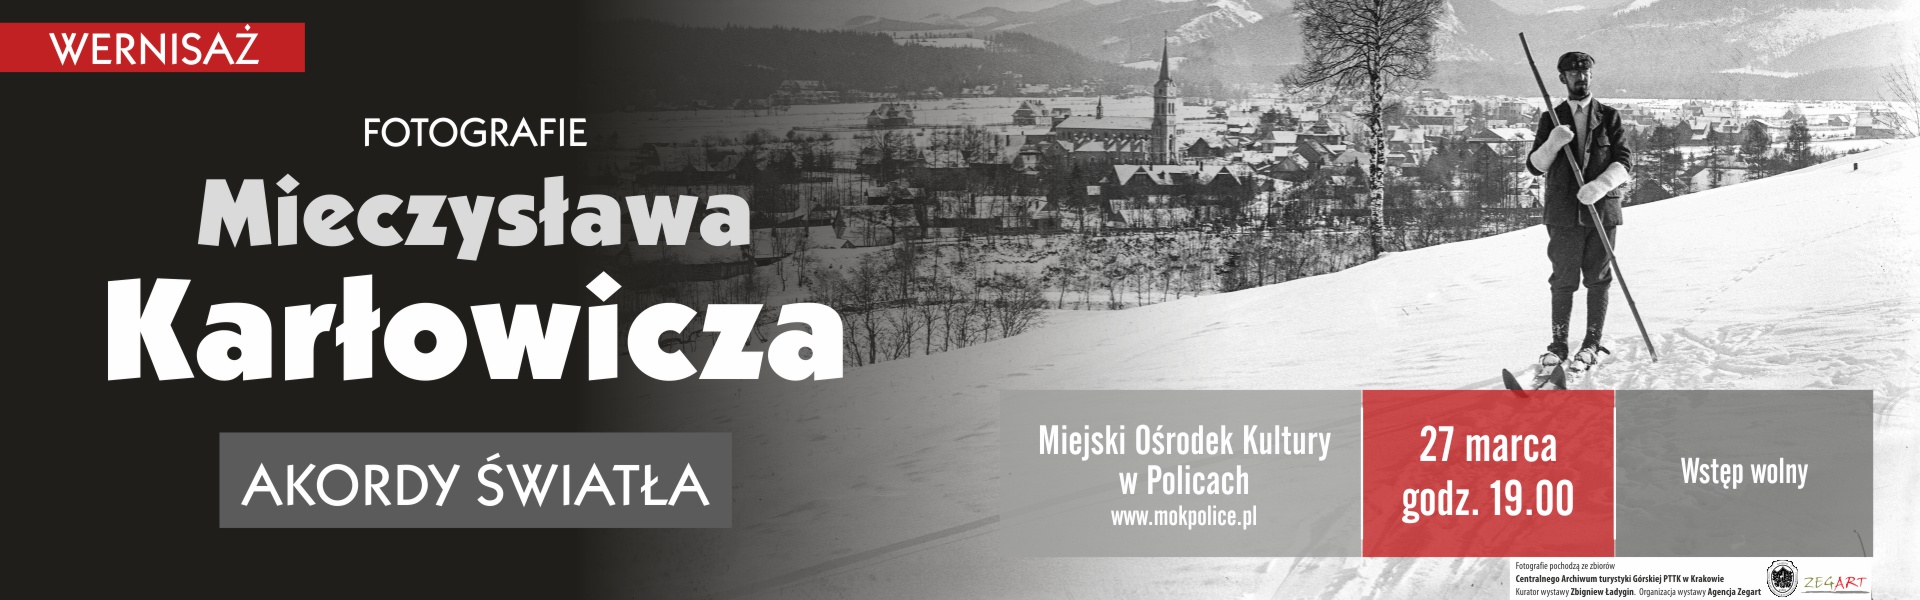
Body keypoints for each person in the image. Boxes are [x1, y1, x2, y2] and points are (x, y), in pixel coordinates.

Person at [1525, 51, 1633, 376]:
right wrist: (1552, 144)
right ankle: (1558, 346)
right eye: (1573, 73)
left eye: (1585, 72)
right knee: (1563, 280)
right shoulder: (1551, 118)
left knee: (1598, 280)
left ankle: (1591, 344)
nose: (1580, 78)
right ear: (1563, 78)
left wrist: (1600, 185)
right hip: (1563, 213)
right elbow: (1535, 166)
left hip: (1602, 211)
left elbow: (1624, 161)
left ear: (1591, 75)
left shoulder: (1609, 116)